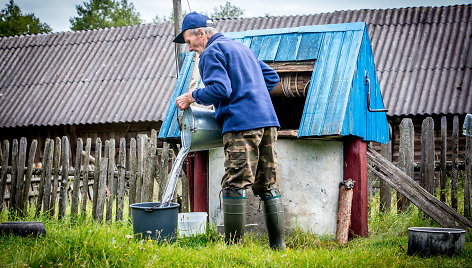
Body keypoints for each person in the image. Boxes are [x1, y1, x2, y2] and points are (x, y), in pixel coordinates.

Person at [174, 12, 286, 250]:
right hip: (267, 122)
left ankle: (233, 248)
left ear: (201, 33)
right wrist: (250, 94)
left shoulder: (211, 53)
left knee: (234, 183)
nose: (189, 47)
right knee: (267, 184)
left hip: (241, 126)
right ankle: (279, 247)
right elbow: (271, 77)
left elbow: (220, 89)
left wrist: (191, 96)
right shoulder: (242, 49)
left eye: (188, 40)